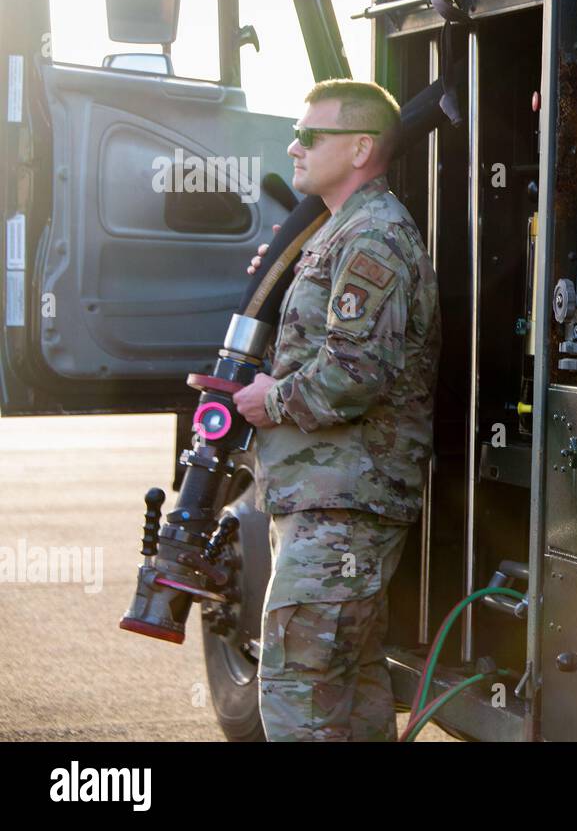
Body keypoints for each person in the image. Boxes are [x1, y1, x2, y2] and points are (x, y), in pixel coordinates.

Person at [232, 79, 440, 741]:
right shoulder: (343, 229)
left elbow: (356, 373)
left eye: (310, 135)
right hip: (333, 499)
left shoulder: (372, 236)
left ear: (358, 149)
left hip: (344, 505)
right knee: (351, 693)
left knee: (298, 689)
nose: (293, 146)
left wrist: (273, 398)